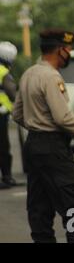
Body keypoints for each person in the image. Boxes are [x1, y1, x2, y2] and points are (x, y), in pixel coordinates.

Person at [13, 29, 74, 243]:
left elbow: (17, 114)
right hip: (54, 147)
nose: (70, 53)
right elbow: (62, 118)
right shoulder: (51, 77)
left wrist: (35, 123)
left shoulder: (29, 74)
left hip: (34, 145)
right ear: (60, 50)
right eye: (69, 49)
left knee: (40, 206)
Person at [0, 41, 18, 188]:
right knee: (3, 147)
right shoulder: (4, 73)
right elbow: (12, 94)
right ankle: (7, 177)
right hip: (1, 114)